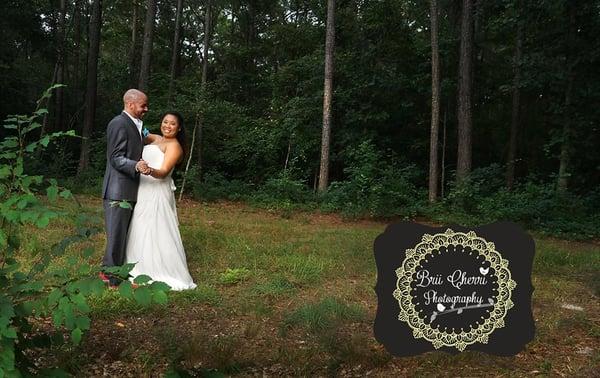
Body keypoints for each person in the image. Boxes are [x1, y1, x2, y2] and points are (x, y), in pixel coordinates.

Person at [125, 111, 197, 290]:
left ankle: (158, 271)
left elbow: (164, 171)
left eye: (173, 124)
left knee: (156, 229)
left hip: (157, 191)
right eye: (165, 122)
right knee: (139, 227)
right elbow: (142, 132)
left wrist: (146, 169)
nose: (168, 126)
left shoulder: (174, 146)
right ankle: (137, 268)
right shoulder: (156, 139)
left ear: (179, 128)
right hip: (143, 190)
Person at [101, 89, 151, 287]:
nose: (146, 109)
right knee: (117, 235)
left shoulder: (136, 124)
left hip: (129, 189)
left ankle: (110, 272)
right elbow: (115, 157)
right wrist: (135, 165)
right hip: (117, 190)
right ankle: (112, 279)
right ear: (130, 104)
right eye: (143, 105)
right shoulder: (118, 123)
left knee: (121, 235)